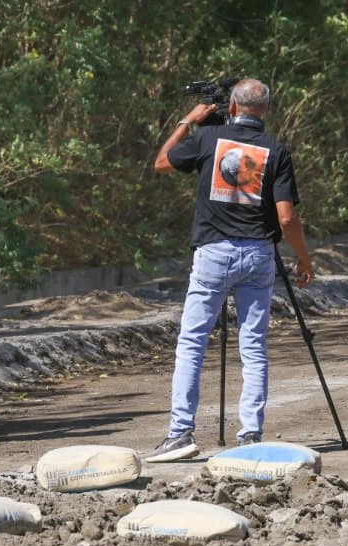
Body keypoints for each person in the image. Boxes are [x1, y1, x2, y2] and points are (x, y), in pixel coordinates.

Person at [147, 78, 313, 461]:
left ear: (233, 108)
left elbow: (161, 163)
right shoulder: (276, 149)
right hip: (258, 254)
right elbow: (287, 218)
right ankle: (251, 435)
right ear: (266, 110)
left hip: (213, 252)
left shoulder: (208, 139)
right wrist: (304, 259)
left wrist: (189, 120)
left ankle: (180, 433)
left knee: (193, 342)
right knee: (253, 345)